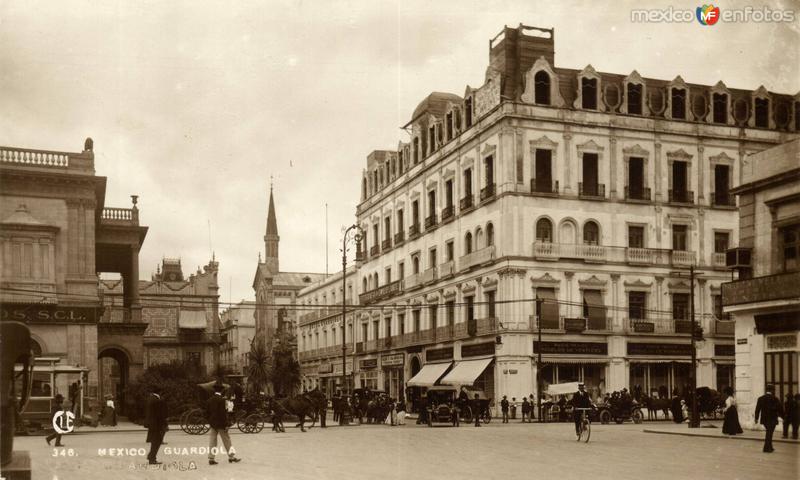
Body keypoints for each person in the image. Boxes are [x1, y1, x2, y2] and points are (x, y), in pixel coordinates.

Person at [207, 384, 241, 465]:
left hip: (213, 424)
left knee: (212, 440)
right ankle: (231, 457)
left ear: (214, 391)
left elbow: (207, 413)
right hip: (221, 424)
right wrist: (226, 424)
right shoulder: (222, 400)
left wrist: (211, 421)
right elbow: (222, 414)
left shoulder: (210, 400)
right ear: (221, 391)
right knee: (227, 440)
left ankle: (211, 458)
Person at [755, 384, 784, 453]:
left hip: (764, 419)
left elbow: (757, 409)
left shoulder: (760, 398)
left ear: (766, 390)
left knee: (769, 432)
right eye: (774, 389)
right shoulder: (775, 399)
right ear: (772, 390)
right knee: (769, 433)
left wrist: (756, 418)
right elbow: (780, 409)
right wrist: (783, 416)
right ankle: (767, 448)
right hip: (772, 419)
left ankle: (769, 447)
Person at [145, 386, 167, 465]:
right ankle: (152, 458)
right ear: (160, 392)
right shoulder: (157, 400)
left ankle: (151, 456)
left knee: (154, 441)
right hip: (157, 424)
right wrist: (164, 424)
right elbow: (160, 415)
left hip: (152, 424)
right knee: (157, 442)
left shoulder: (150, 398)